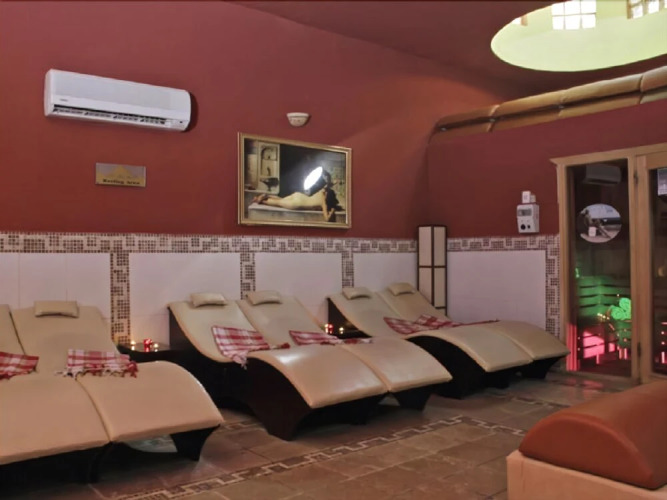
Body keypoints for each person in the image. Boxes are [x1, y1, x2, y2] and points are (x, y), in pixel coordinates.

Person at [252, 170, 342, 222]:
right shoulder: (324, 201)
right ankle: (260, 200)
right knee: (279, 203)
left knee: (281, 199)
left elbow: (328, 184)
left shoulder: (323, 191)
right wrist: (332, 211)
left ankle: (265, 196)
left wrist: (335, 182)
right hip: (297, 203)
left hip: (299, 196)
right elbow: (327, 219)